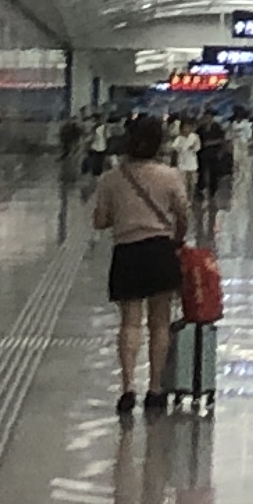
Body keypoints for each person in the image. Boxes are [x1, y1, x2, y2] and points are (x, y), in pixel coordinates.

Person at [92, 118, 191, 419]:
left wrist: (124, 215)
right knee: (159, 323)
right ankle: (155, 388)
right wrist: (178, 239)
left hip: (127, 252)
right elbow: (183, 215)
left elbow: (100, 221)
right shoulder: (170, 176)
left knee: (130, 323)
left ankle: (127, 387)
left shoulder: (111, 178)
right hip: (160, 250)